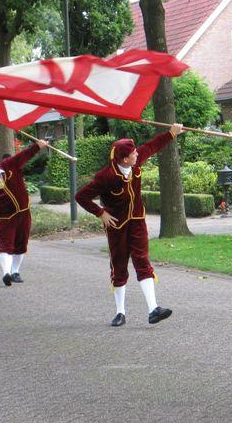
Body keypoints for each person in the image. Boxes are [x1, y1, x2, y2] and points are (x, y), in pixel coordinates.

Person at [75, 124, 184, 327]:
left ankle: (153, 309)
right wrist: (101, 213)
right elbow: (81, 196)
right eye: (133, 153)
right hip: (116, 226)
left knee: (142, 261)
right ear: (124, 159)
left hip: (137, 221)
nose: (137, 154)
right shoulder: (105, 177)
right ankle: (120, 312)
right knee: (119, 266)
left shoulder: (135, 161)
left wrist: (171, 133)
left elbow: (152, 146)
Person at [0, 139, 47, 286]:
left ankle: (15, 271)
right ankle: (6, 273)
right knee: (6, 245)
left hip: (24, 213)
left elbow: (25, 154)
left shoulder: (9, 165)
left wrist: (38, 146)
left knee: (21, 244)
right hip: (6, 218)